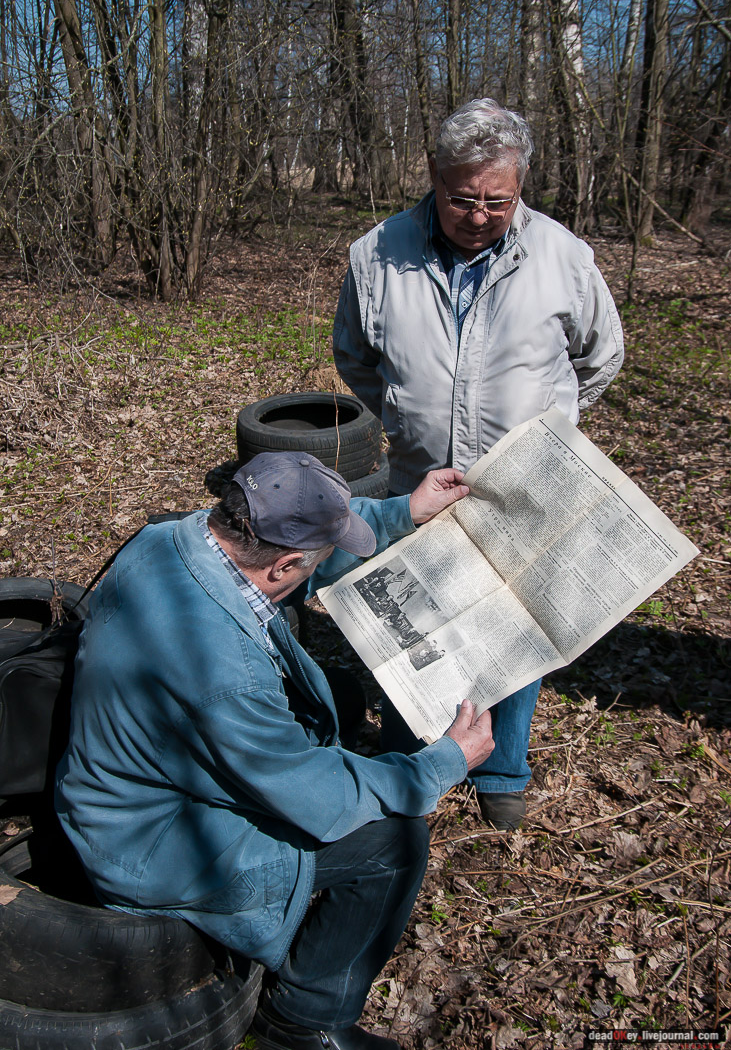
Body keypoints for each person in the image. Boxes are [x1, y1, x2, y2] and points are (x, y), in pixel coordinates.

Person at [55, 452, 495, 1050]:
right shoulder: (224, 673)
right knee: (393, 840)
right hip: (146, 841)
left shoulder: (170, 537)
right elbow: (318, 796)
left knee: (333, 698)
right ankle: (305, 1021)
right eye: (307, 564)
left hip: (119, 778)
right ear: (284, 566)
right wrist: (442, 763)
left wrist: (403, 512)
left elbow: (298, 541)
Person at [332, 97, 624, 831]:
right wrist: (406, 412)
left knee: (514, 630)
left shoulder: (562, 255)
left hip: (524, 485)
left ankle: (501, 766)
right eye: (463, 198)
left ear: (520, 184)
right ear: (432, 174)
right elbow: (355, 357)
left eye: (500, 199)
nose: (480, 214)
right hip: (419, 480)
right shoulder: (378, 253)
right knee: (413, 631)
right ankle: (411, 765)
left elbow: (599, 356)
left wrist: (548, 424)